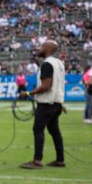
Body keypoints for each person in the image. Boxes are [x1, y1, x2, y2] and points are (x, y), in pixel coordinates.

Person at [19, 39, 67, 169]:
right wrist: (60, 103)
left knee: (38, 129)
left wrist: (29, 93)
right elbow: (60, 84)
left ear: (49, 49)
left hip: (46, 103)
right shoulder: (59, 63)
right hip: (56, 102)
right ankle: (60, 160)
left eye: (42, 47)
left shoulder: (47, 64)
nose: (40, 49)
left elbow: (46, 86)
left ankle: (37, 161)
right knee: (54, 131)